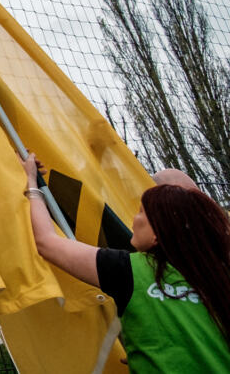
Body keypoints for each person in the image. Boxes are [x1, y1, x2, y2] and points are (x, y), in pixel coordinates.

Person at [20, 152, 230, 373]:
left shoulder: (128, 269)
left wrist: (30, 181)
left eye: (141, 212)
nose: (134, 218)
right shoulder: (219, 274)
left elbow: (46, 242)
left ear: (158, 232)